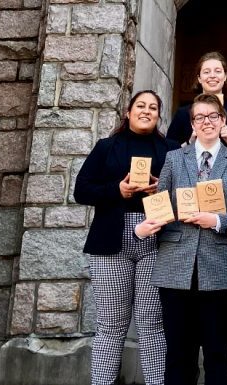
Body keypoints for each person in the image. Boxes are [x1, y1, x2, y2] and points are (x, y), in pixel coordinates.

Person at [74, 90, 178, 385]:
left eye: (153, 108)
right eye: (141, 106)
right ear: (128, 112)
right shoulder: (106, 147)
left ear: (159, 116)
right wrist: (116, 190)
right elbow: (81, 190)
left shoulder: (170, 149)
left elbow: (183, 197)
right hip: (111, 241)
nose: (146, 111)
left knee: (152, 324)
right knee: (110, 326)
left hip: (157, 240)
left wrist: (162, 191)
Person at [148, 94, 227, 385]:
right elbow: (159, 202)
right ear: (192, 123)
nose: (207, 122)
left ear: (223, 120)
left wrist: (216, 220)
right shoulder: (173, 158)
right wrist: (156, 218)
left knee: (218, 354)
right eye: (200, 117)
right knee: (179, 354)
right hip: (175, 266)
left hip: (219, 267)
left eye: (213, 116)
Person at [167, 51, 227, 162]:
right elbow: (169, 154)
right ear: (199, 78)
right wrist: (190, 142)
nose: (212, 76)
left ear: (225, 76)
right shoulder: (183, 113)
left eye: (218, 71)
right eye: (206, 72)